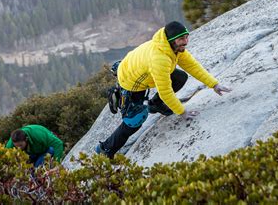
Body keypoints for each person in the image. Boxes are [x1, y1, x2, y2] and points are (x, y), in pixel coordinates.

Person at [96, 21, 231, 158]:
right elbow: (165, 91)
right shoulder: (159, 58)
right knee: (135, 120)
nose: (186, 42)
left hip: (139, 68)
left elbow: (193, 66)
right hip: (131, 82)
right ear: (172, 40)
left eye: (186, 37)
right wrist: (182, 112)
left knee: (180, 77)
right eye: (181, 39)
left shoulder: (174, 48)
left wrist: (214, 84)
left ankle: (155, 104)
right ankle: (105, 149)